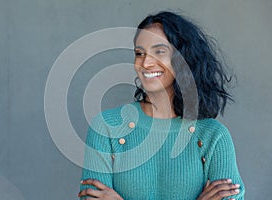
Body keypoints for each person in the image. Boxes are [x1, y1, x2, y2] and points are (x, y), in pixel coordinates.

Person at [78, 11, 245, 200]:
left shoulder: (213, 136)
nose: (146, 63)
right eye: (140, 53)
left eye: (159, 51)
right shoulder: (106, 128)